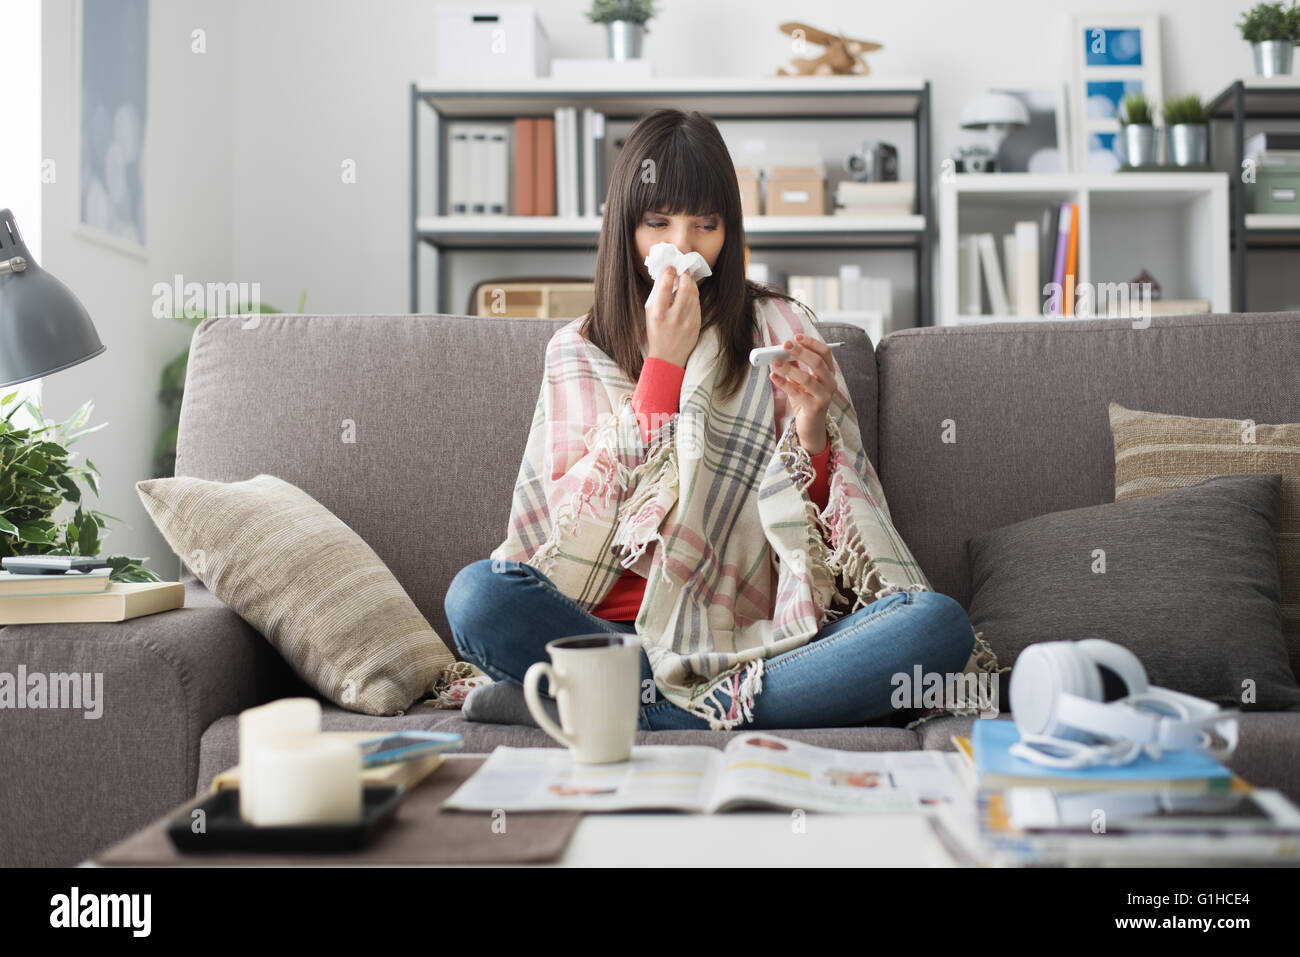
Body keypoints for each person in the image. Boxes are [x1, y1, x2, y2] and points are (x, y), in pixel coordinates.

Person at [445, 108, 977, 731]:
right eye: (658, 222)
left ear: (731, 229)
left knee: (936, 625)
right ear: (624, 227)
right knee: (478, 597)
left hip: (754, 640)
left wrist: (813, 432)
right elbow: (567, 534)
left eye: (706, 223)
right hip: (601, 628)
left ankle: (612, 705)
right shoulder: (577, 349)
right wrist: (664, 366)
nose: (684, 244)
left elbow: (838, 548)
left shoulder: (780, 327)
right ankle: (667, 702)